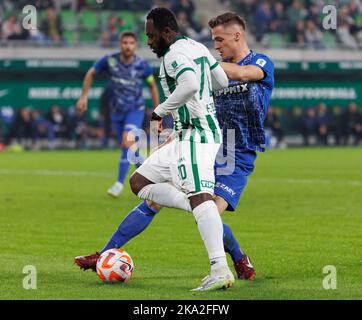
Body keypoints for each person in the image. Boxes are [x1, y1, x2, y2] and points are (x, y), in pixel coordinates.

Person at [75, 11, 274, 290]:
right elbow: (212, 85)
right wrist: (201, 59)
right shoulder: (204, 55)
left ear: (237, 35)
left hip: (236, 148)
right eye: (213, 41)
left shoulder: (259, 62)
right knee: (146, 190)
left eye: (220, 39)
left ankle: (234, 260)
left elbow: (239, 75)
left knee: (207, 210)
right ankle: (105, 254)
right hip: (198, 136)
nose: (216, 45)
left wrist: (192, 64)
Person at [76, 31, 160, 197]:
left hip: (135, 109)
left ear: (135, 46)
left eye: (131, 43)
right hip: (115, 111)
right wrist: (84, 96)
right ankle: (150, 178)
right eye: (125, 43)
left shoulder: (142, 65)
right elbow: (91, 73)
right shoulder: (110, 60)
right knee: (128, 147)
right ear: (120, 44)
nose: (127, 46)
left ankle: (119, 183)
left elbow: (152, 85)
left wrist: (157, 112)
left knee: (126, 140)